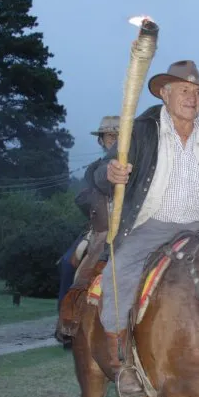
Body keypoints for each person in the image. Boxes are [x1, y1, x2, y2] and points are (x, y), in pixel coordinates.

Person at [90, 60, 199, 397]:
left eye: (197, 92)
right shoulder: (142, 131)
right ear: (165, 94)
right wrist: (110, 174)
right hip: (152, 225)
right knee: (118, 274)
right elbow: (97, 173)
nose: (192, 98)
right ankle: (124, 367)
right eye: (184, 90)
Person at [55, 115, 120, 347]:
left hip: (131, 229)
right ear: (102, 141)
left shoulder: (137, 165)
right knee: (67, 263)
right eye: (110, 136)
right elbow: (83, 197)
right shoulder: (94, 168)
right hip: (99, 229)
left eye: (119, 137)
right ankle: (67, 324)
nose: (114, 141)